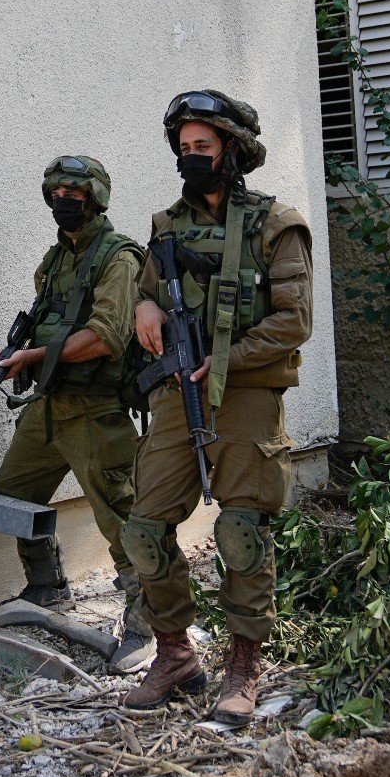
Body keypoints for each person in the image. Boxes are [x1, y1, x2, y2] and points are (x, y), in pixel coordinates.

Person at [120, 90, 314, 726]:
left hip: (247, 394)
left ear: (233, 150)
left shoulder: (275, 225)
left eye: (203, 147)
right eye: (184, 149)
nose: (191, 158)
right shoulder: (167, 225)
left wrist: (226, 361)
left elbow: (294, 322)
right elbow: (146, 292)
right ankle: (175, 654)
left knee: (240, 530)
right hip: (180, 391)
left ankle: (244, 665)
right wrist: (145, 308)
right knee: (143, 529)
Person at [0, 155, 154, 672]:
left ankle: (149, 622)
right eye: (56, 195)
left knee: (120, 516)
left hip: (94, 410)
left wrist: (35, 357)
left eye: (75, 196)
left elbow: (107, 335)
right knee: (15, 494)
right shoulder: (54, 260)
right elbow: (47, 323)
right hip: (49, 404)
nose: (64, 203)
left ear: (96, 199)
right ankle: (46, 586)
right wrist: (20, 361)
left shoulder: (119, 258)